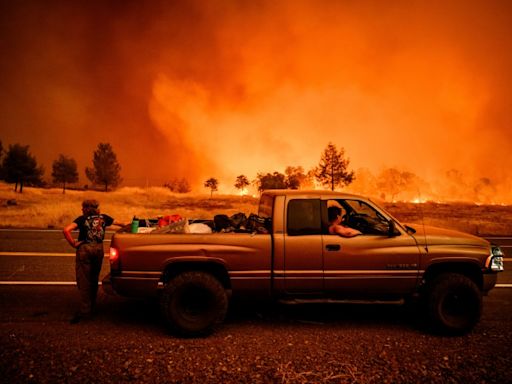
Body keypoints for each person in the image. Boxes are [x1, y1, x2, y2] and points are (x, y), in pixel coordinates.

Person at [63, 199, 124, 324]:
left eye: (82, 207)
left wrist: (73, 243)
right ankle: (92, 306)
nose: (81, 210)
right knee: (94, 278)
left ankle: (85, 311)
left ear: (86, 208)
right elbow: (122, 224)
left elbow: (66, 230)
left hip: (85, 249)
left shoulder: (81, 219)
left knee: (84, 280)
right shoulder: (104, 218)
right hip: (98, 249)